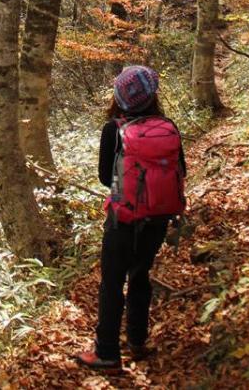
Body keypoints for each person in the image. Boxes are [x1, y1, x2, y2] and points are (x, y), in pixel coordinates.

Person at [76, 65, 186, 374]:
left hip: (122, 219)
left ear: (120, 98)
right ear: (153, 96)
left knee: (112, 282)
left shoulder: (114, 128)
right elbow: (181, 170)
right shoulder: (168, 125)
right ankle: (138, 341)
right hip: (158, 217)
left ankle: (108, 353)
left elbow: (102, 177)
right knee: (141, 276)